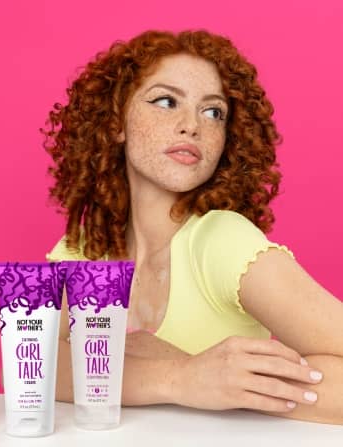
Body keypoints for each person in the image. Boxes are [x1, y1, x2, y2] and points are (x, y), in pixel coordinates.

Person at [41, 29, 343, 424]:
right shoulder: (83, 250)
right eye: (166, 101)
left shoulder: (221, 241)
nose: (192, 126)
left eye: (213, 112)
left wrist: (226, 387)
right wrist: (179, 378)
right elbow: (32, 368)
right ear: (116, 122)